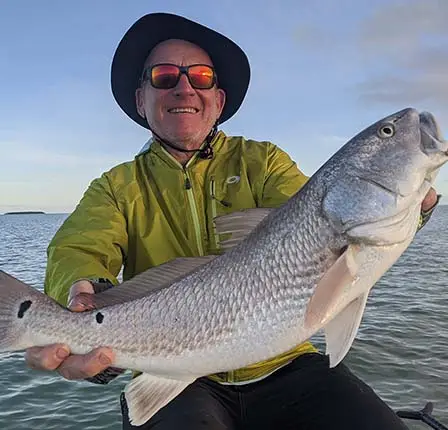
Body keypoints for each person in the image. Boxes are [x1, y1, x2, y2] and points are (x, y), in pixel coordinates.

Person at [25, 12, 440, 430]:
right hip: (178, 376)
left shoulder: (264, 162)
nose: (184, 86)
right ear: (140, 100)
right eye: (165, 76)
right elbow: (77, 248)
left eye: (201, 76)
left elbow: (311, 213)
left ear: (218, 100)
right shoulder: (116, 187)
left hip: (286, 362)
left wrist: (412, 210)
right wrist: (77, 295)